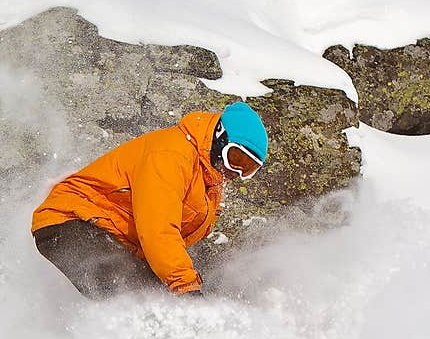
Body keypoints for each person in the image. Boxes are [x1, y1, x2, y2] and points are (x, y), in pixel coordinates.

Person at [31, 102, 269, 298]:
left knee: (156, 301)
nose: (235, 172)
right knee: (141, 301)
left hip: (108, 235)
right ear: (220, 137)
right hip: (71, 223)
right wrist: (186, 287)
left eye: (248, 168)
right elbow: (159, 229)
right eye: (235, 158)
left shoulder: (208, 184)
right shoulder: (172, 155)